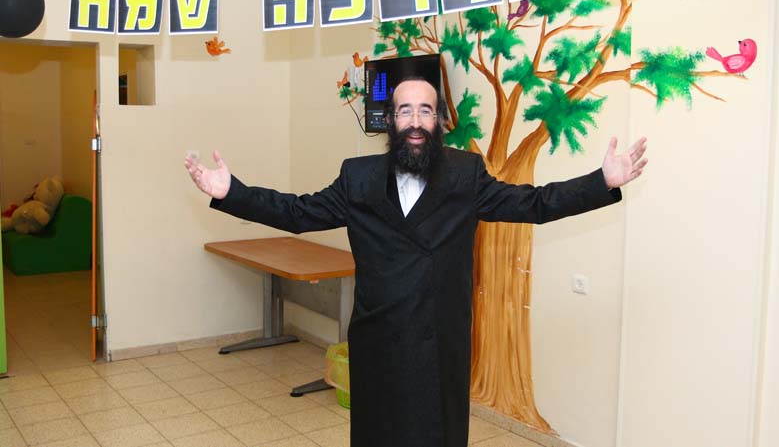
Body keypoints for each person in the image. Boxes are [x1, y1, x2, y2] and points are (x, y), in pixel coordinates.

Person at [185, 77, 647, 447]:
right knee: (378, 434)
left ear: (439, 120)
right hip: (377, 337)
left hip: (438, 340)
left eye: (425, 110)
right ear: (390, 120)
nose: (415, 121)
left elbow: (534, 203)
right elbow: (297, 212)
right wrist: (232, 192)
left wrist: (601, 181)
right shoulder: (358, 176)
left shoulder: (465, 173)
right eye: (405, 110)